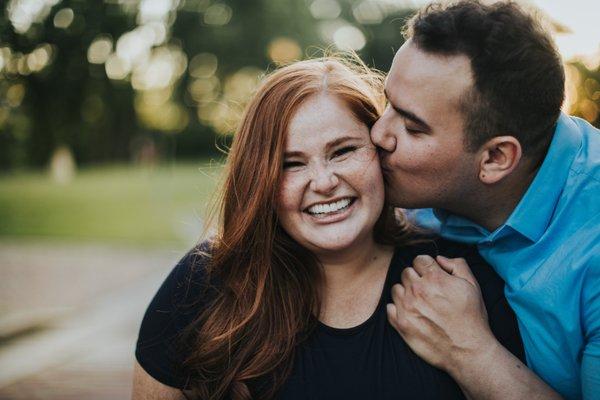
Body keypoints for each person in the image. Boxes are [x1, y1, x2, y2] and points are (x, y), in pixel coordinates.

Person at [132, 56, 524, 400]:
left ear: (380, 151)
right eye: (292, 163)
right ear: (260, 181)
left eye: (343, 151)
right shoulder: (205, 284)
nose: (323, 181)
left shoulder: (457, 278)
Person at [372, 1, 600, 399]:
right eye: (387, 101)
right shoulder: (431, 180)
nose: (378, 134)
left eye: (411, 126)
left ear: (495, 159)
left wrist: (469, 351)